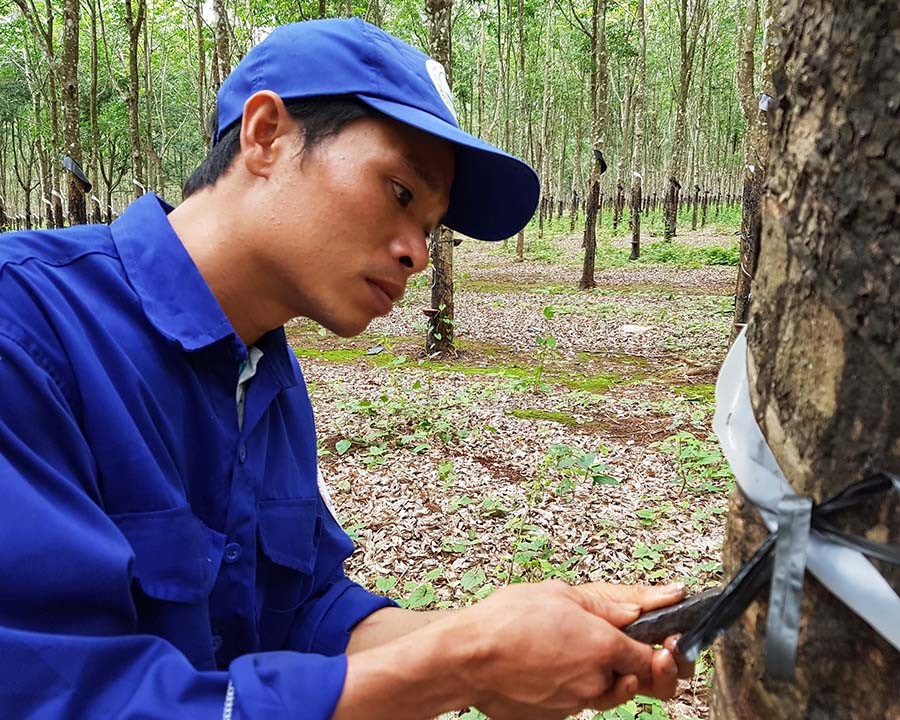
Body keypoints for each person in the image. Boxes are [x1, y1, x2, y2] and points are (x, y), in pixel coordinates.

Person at [0, 18, 692, 720]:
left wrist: (500, 633)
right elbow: (60, 695)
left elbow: (308, 616)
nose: (417, 255)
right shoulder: (26, 329)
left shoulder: (266, 373)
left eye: (429, 227)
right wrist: (460, 664)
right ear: (267, 134)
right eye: (399, 194)